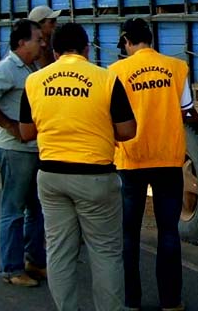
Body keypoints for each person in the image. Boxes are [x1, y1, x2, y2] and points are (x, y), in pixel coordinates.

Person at [19, 22, 137, 311]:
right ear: (86, 48)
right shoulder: (106, 79)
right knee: (105, 253)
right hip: (95, 177)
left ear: (55, 50)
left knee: (59, 251)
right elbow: (127, 131)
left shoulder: (34, 81)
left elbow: (25, 132)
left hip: (51, 176)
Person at [110, 18, 194, 311]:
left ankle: (131, 301)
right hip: (168, 158)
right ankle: (170, 301)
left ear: (126, 41)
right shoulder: (176, 67)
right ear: (150, 39)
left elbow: (113, 117)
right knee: (168, 232)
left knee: (129, 233)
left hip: (130, 159)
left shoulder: (116, 72)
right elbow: (187, 111)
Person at [0, 18, 47, 288]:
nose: (42, 44)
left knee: (36, 209)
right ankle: (11, 269)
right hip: (15, 150)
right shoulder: (7, 69)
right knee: (13, 210)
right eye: (37, 39)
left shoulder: (30, 67)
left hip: (31, 149)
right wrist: (9, 125)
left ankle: (34, 261)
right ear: (21, 42)